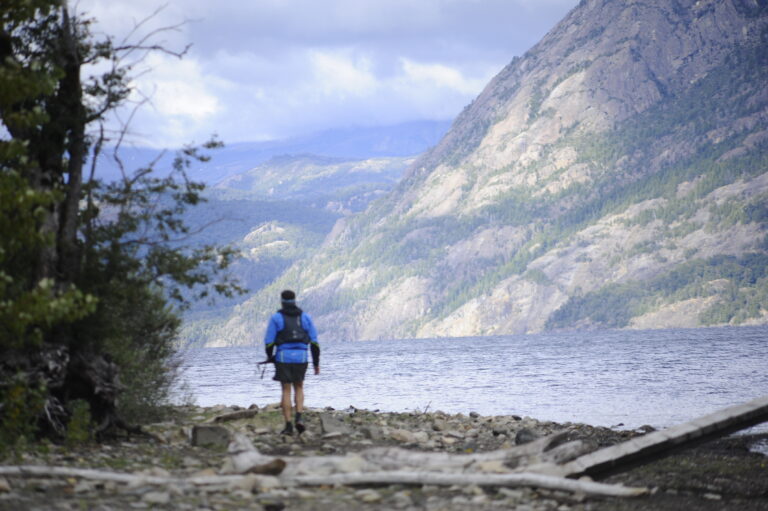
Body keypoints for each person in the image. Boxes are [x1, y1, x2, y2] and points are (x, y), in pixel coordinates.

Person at [263, 289, 320, 435]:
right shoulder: (305, 317)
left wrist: (270, 357)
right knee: (299, 387)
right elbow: (314, 342)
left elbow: (269, 342)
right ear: (295, 300)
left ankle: (288, 425)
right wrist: (316, 364)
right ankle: (299, 417)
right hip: (301, 357)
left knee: (286, 390)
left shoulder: (276, 318)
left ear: (281, 301)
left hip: (283, 357)